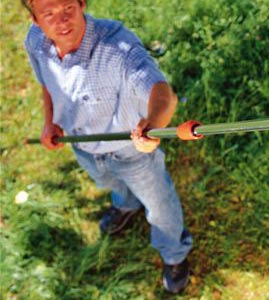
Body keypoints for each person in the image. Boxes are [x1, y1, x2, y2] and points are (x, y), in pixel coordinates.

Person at [21, 0, 192, 294]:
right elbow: (47, 84)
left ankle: (175, 254)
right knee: (108, 182)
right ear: (36, 19)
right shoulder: (35, 40)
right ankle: (126, 204)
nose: (62, 22)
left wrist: (152, 124)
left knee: (160, 207)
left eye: (67, 9)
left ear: (82, 4)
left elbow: (163, 94)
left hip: (131, 152)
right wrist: (49, 123)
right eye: (49, 14)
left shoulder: (117, 46)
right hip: (83, 146)